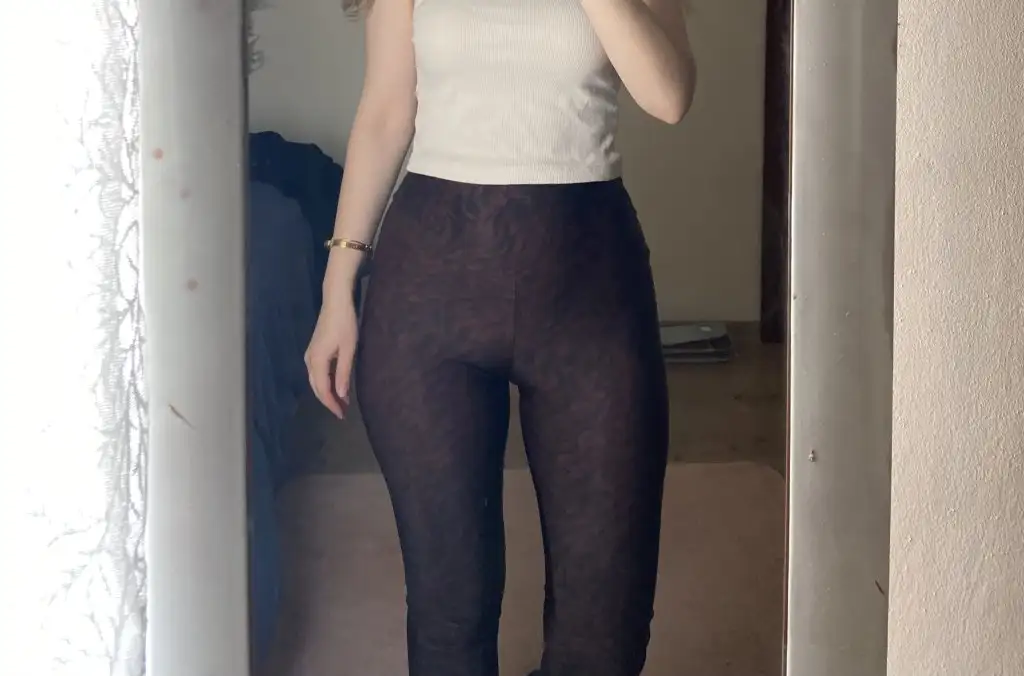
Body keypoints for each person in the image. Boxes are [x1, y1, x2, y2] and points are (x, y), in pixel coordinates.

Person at [304, 0, 696, 672]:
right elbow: (385, 114)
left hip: (591, 296)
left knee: (606, 625)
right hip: (428, 299)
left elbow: (668, 97)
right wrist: (337, 289)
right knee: (448, 609)